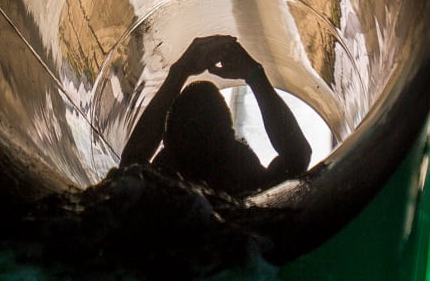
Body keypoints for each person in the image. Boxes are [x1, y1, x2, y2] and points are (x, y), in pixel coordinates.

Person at [120, 35, 312, 196]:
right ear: (230, 136)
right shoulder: (250, 189)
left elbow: (131, 164)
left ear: (166, 139)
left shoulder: (157, 193)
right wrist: (255, 75)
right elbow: (297, 157)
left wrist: (178, 73)